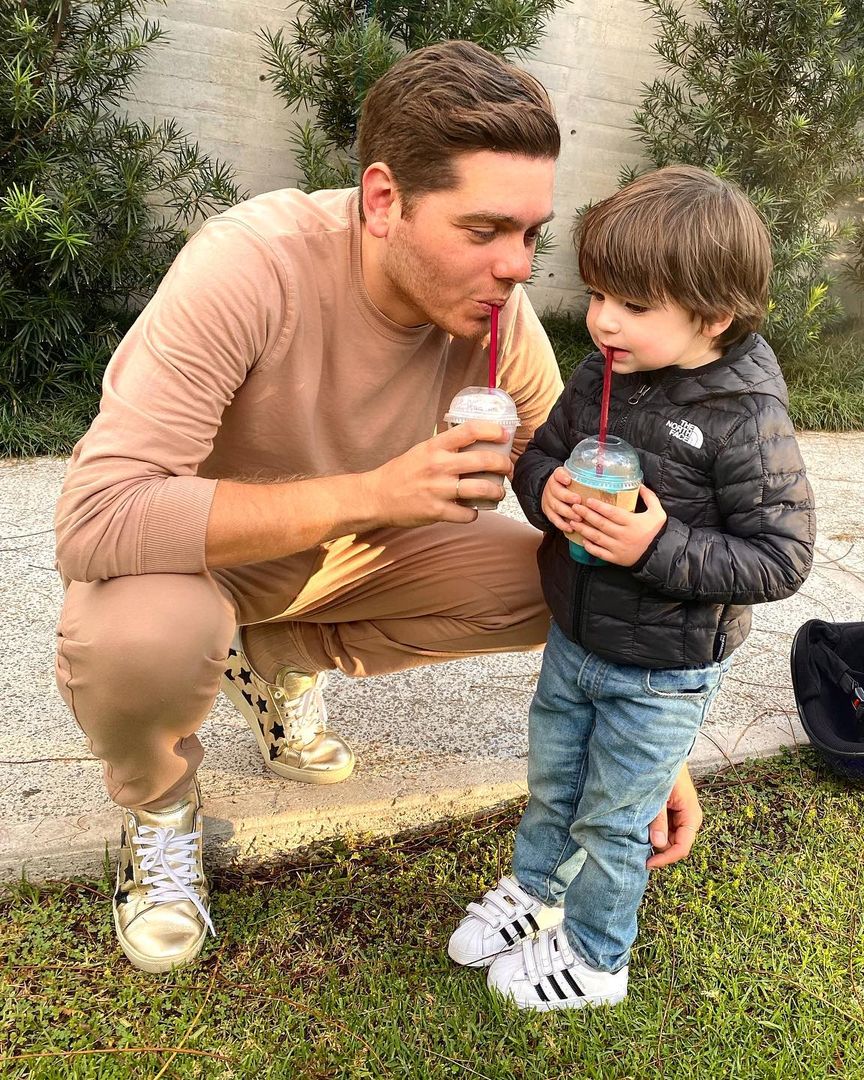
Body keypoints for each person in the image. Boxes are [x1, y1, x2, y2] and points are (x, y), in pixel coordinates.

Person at [52, 42, 705, 974]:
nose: (516, 267)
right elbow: (96, 519)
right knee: (140, 637)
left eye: (532, 234)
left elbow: (581, 510)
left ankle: (272, 660)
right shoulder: (252, 267)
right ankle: (160, 806)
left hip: (353, 565)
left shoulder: (496, 315)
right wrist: (374, 493)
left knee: (562, 580)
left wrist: (653, 746)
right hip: (198, 565)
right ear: (385, 199)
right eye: (485, 230)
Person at [448, 166, 817, 1010]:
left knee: (616, 817)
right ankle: (535, 890)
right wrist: (543, 491)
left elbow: (781, 558)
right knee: (555, 782)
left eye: (634, 304)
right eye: (598, 294)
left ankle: (596, 957)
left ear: (712, 316)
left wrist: (658, 546)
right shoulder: (601, 372)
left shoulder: (745, 417)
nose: (603, 319)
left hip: (663, 671)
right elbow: (542, 452)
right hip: (575, 636)